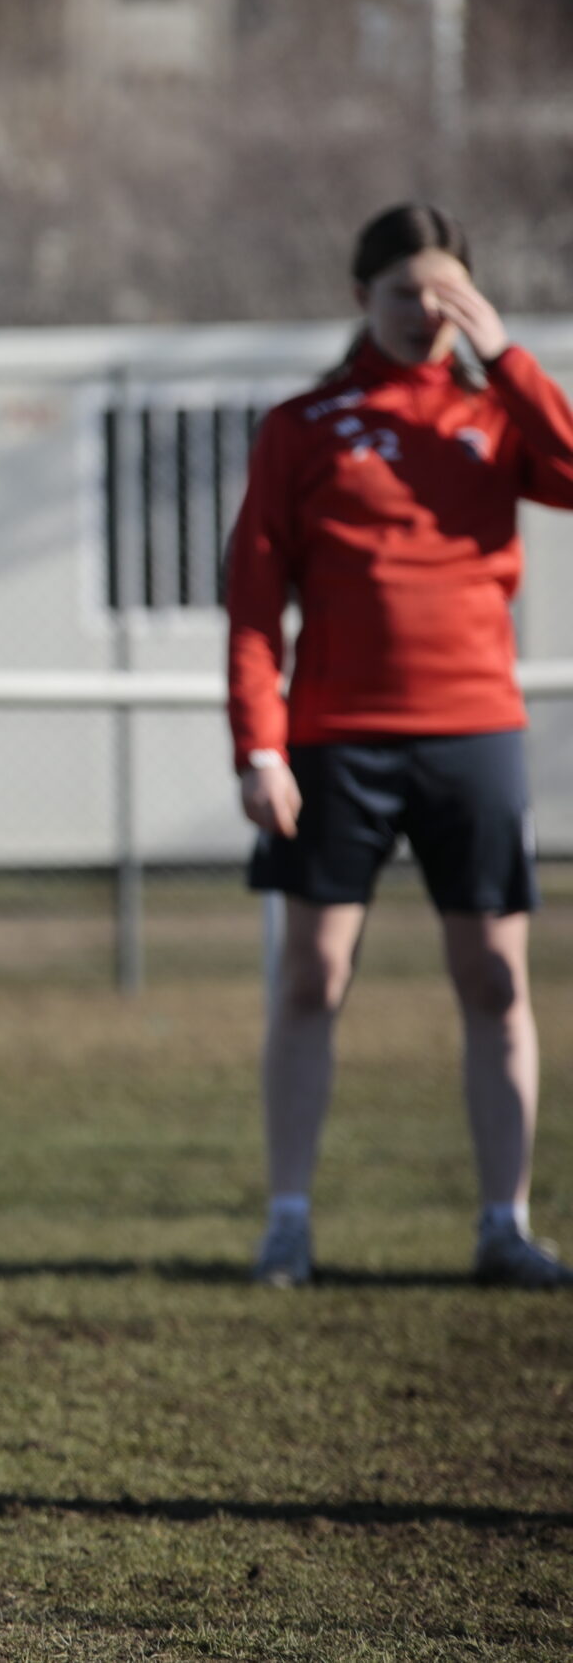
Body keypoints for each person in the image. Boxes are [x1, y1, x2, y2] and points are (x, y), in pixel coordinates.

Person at [228, 202, 573, 1290]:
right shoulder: (304, 424)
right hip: (336, 741)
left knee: (492, 981)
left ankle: (503, 1224)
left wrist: (506, 353)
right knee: (310, 976)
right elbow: (251, 605)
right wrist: (260, 745)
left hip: (473, 732)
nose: (424, 313)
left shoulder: (493, 412)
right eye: (402, 294)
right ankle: (287, 1222)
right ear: (358, 297)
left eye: (444, 293)